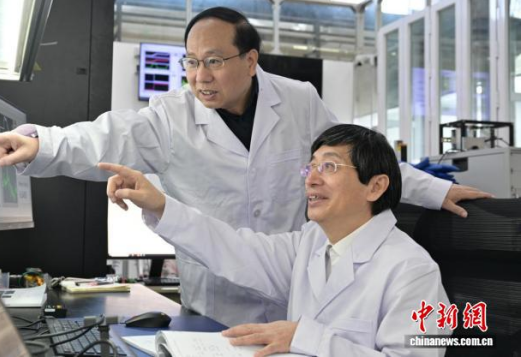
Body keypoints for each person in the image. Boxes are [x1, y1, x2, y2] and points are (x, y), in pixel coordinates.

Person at [0, 7, 490, 327]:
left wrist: (435, 191)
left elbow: (356, 157)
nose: (200, 76)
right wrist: (40, 143)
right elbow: (104, 137)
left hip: (293, 288)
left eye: (214, 61)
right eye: (191, 62)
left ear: (250, 60)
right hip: (216, 293)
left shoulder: (299, 101)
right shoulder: (170, 116)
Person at [98, 124, 450, 357]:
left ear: (375, 186)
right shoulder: (312, 243)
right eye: (310, 167)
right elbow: (234, 249)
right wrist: (159, 203)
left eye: (328, 167)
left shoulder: (413, 271)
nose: (311, 179)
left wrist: (305, 338)